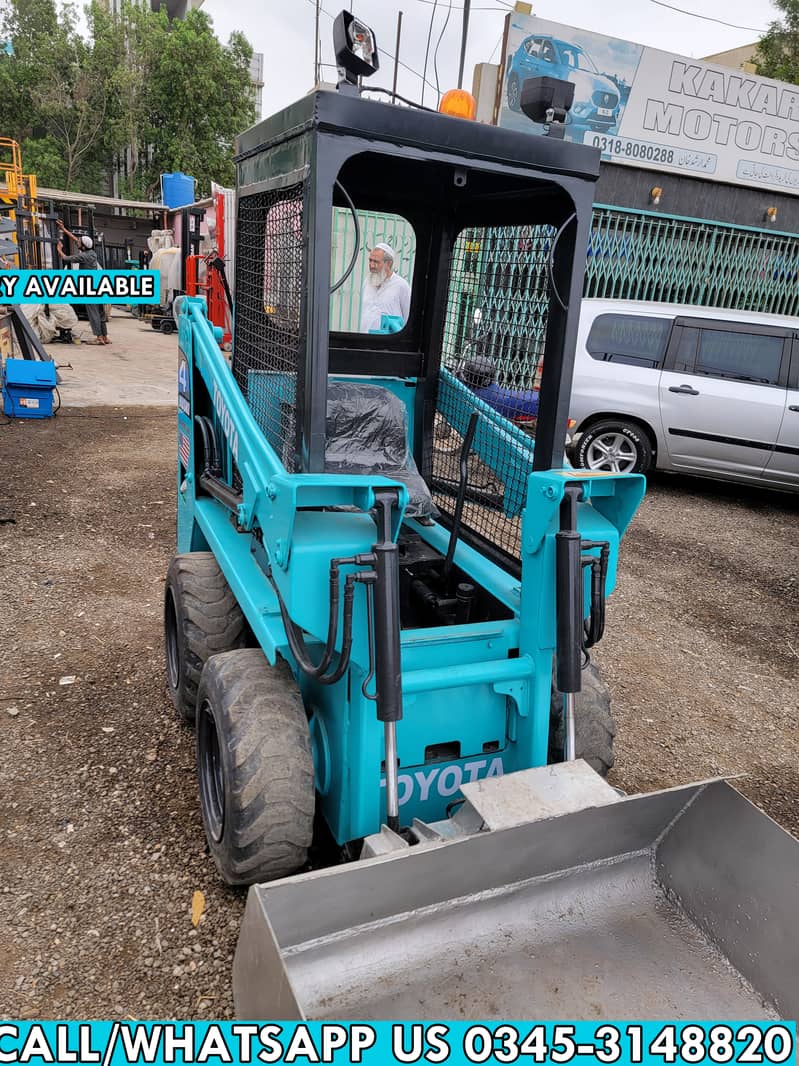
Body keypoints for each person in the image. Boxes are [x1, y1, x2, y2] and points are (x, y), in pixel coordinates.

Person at [55, 219, 110, 345]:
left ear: (83, 246)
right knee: (100, 312)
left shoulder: (83, 256)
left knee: (93, 313)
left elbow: (65, 258)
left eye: (79, 243)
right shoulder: (92, 253)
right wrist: (64, 229)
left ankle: (98, 338)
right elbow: (76, 240)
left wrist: (59, 248)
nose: (77, 242)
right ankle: (105, 336)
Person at [359, 241, 411, 333]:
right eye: (370, 260)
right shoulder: (367, 283)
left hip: (389, 344)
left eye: (376, 262)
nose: (371, 265)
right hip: (366, 340)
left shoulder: (401, 286)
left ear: (389, 264)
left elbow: (408, 319)